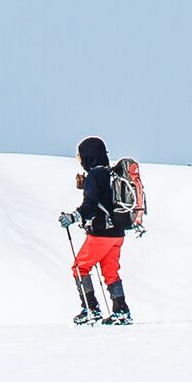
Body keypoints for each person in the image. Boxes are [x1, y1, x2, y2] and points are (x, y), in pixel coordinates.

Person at [62, 137, 134, 326]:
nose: (79, 159)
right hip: (118, 233)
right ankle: (121, 311)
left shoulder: (94, 175)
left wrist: (73, 217)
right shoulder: (111, 173)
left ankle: (91, 309)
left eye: (80, 156)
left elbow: (91, 205)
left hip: (101, 234)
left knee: (80, 268)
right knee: (111, 272)